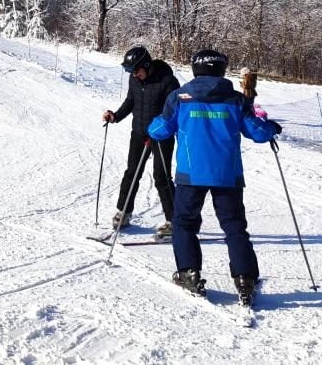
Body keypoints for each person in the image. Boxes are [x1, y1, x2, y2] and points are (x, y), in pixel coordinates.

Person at [147, 49, 282, 305]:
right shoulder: (235, 100)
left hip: (190, 174)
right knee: (234, 226)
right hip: (227, 174)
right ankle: (245, 278)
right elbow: (257, 132)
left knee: (185, 224)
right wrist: (272, 127)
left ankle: (188, 271)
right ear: (221, 70)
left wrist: (150, 126)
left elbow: (159, 130)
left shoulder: (180, 98)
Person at [102, 45, 180, 235]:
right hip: (139, 132)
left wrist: (159, 131)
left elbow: (176, 110)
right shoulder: (135, 79)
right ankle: (124, 212)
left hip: (161, 134)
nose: (134, 74)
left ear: (146, 64)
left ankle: (175, 220)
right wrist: (116, 116)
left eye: (135, 70)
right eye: (130, 71)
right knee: (132, 172)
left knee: (161, 177)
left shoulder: (168, 80)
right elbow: (131, 101)